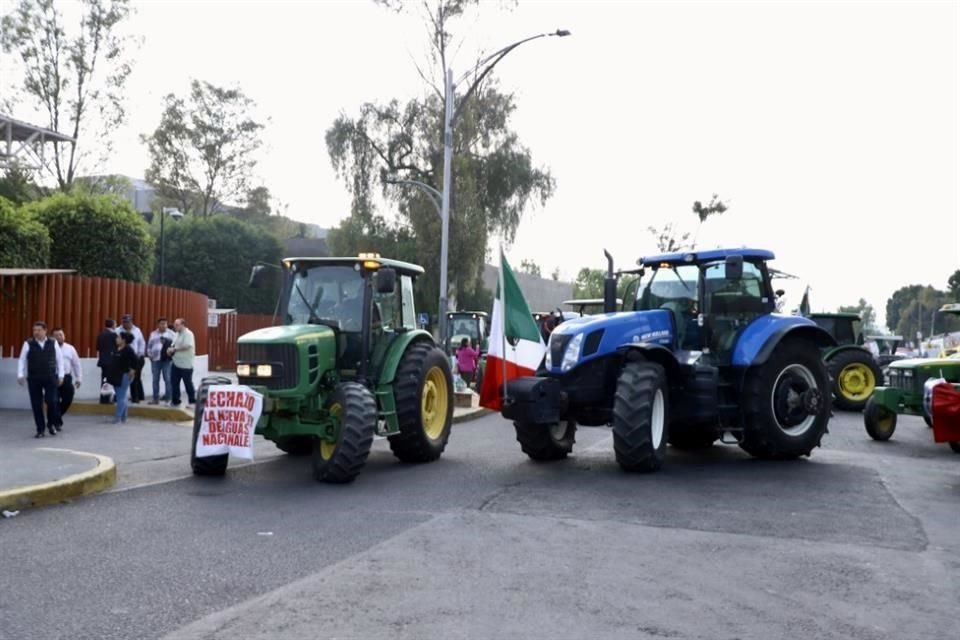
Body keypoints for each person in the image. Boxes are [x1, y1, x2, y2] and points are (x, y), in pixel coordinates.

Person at [16, 321, 65, 438]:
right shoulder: (28, 343)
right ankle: (40, 429)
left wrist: (61, 375)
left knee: (52, 401)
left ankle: (51, 424)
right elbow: (22, 360)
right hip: (34, 378)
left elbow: (60, 360)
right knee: (36, 404)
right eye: (34, 330)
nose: (36, 333)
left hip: (50, 377)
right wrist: (20, 374)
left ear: (45, 331)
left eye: (38, 330)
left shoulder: (53, 343)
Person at [51, 327, 82, 431]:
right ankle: (56, 422)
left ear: (64, 336)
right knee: (54, 401)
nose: (59, 337)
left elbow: (76, 364)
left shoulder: (70, 348)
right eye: (56, 335)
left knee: (68, 399)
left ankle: (55, 418)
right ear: (52, 337)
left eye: (60, 334)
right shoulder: (49, 348)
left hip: (66, 377)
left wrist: (79, 378)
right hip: (53, 378)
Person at [107, 332, 138, 424]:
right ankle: (123, 417)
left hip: (124, 375)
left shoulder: (128, 349)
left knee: (120, 396)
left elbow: (136, 360)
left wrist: (132, 370)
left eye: (118, 338)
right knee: (122, 396)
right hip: (117, 375)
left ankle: (118, 418)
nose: (116, 339)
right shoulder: (118, 348)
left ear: (123, 340)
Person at [168, 317, 196, 408]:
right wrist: (170, 349)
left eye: (177, 325)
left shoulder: (188, 334)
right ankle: (175, 401)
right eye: (174, 325)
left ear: (183, 325)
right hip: (176, 362)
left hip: (186, 364)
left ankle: (192, 401)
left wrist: (175, 349)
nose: (175, 326)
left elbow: (187, 346)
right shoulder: (176, 334)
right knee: (174, 383)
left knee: (187, 383)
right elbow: (173, 344)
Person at [147, 317, 176, 405]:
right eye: (161, 323)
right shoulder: (153, 334)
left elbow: (175, 346)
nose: (163, 325)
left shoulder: (171, 334)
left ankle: (168, 399)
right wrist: (149, 355)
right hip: (155, 360)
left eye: (165, 324)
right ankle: (156, 399)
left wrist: (171, 353)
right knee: (155, 380)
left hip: (167, 361)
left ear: (167, 325)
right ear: (158, 324)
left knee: (167, 379)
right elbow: (149, 346)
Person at [120, 314, 146, 404]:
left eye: (128, 322)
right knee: (125, 378)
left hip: (135, 357)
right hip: (123, 358)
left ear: (131, 322)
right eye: (124, 322)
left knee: (135, 377)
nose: (126, 324)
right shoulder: (118, 330)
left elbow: (142, 343)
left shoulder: (137, 330)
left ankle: (136, 397)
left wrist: (140, 354)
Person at [96, 319, 118, 404]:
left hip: (103, 361)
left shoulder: (100, 335)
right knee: (111, 381)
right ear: (112, 325)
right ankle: (110, 399)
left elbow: (97, 347)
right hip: (111, 361)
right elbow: (120, 346)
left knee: (104, 380)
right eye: (115, 324)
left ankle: (103, 398)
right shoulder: (114, 335)